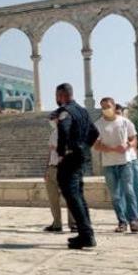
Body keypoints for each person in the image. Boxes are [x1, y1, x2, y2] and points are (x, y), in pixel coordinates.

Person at [54, 83, 99, 249]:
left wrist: (62, 153)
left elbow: (64, 131)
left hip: (71, 159)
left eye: (57, 96)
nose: (57, 99)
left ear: (61, 95)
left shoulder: (65, 111)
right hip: (81, 158)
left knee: (72, 195)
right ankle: (86, 233)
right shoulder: (83, 111)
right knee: (78, 195)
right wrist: (84, 148)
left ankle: (86, 235)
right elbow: (95, 133)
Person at [94, 97, 138, 233]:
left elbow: (133, 139)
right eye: (103, 107)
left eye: (108, 106)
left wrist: (128, 145)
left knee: (129, 191)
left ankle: (134, 220)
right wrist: (108, 149)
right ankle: (122, 222)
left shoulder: (125, 122)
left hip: (125, 162)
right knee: (115, 195)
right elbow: (95, 145)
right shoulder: (98, 125)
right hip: (109, 164)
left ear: (114, 106)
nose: (106, 109)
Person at [43, 111, 76, 233]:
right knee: (53, 198)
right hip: (52, 168)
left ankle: (73, 224)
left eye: (53, 118)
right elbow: (50, 152)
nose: (51, 121)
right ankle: (57, 223)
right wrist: (46, 169)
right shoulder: (54, 133)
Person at [116, 104, 138, 225]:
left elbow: (134, 139)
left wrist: (130, 149)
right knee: (123, 190)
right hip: (120, 161)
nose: (118, 114)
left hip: (132, 159)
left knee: (137, 187)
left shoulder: (128, 123)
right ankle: (126, 216)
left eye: (120, 112)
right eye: (117, 112)